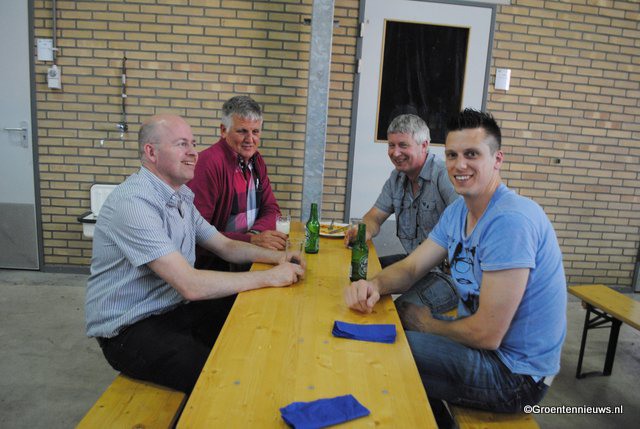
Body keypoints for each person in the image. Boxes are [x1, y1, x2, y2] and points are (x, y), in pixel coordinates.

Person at [345, 109, 566, 417]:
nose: (459, 165)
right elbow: (411, 267)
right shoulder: (458, 212)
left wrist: (428, 324)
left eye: (471, 154)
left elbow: (487, 334)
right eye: (452, 155)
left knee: (381, 348)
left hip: (516, 375)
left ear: (497, 160)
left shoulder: (510, 220)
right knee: (384, 329)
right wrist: (374, 285)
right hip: (482, 349)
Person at [85, 114, 305, 394]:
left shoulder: (182, 198)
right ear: (151, 152)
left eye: (193, 143)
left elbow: (225, 245)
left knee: (250, 323)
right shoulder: (134, 204)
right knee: (223, 379)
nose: (193, 152)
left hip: (174, 309)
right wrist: (270, 277)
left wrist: (279, 258)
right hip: (130, 330)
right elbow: (190, 284)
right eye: (181, 144)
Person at [344, 113, 460, 313]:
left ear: (424, 145)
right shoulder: (396, 178)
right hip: (414, 262)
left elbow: (465, 224)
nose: (395, 152)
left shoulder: (444, 175)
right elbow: (374, 217)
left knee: (399, 312)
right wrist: (364, 231)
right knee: (358, 272)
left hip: (450, 275)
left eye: (403, 145)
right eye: (391, 145)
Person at [188, 95, 286, 271]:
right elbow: (194, 233)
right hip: (217, 269)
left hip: (250, 259)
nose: (250, 139)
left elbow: (271, 209)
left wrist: (254, 235)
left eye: (255, 131)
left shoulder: (256, 160)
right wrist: (251, 241)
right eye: (242, 131)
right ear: (223, 130)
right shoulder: (208, 164)